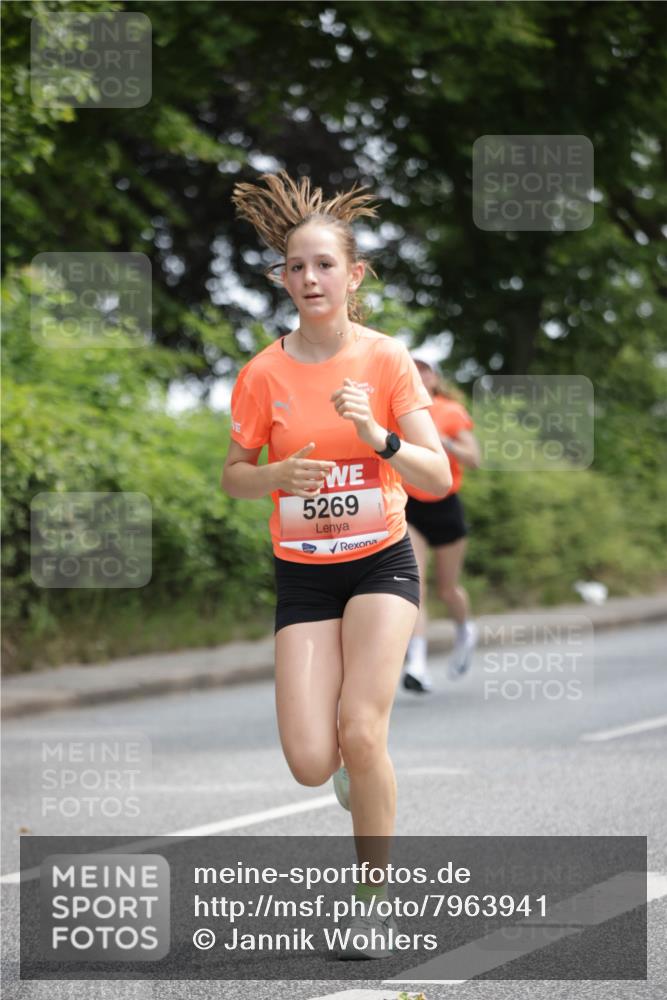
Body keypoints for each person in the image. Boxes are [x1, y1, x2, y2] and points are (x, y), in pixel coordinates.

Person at [222, 170, 451, 957]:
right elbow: (233, 474)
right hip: (304, 572)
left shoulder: (386, 360)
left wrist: (381, 437)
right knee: (310, 759)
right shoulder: (263, 373)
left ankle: (372, 901)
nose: (310, 278)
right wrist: (274, 478)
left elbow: (436, 475)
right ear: (282, 279)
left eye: (325, 264)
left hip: (381, 561)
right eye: (297, 267)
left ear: (353, 275)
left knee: (361, 726)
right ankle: (356, 772)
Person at [402, 360, 481, 693]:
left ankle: (464, 629)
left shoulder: (450, 411)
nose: (420, 376)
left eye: (425, 371)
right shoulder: (398, 411)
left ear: (435, 378)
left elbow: (474, 459)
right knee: (413, 586)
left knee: (448, 589)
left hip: (446, 505)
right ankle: (417, 665)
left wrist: (443, 442)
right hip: (410, 507)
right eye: (413, 370)